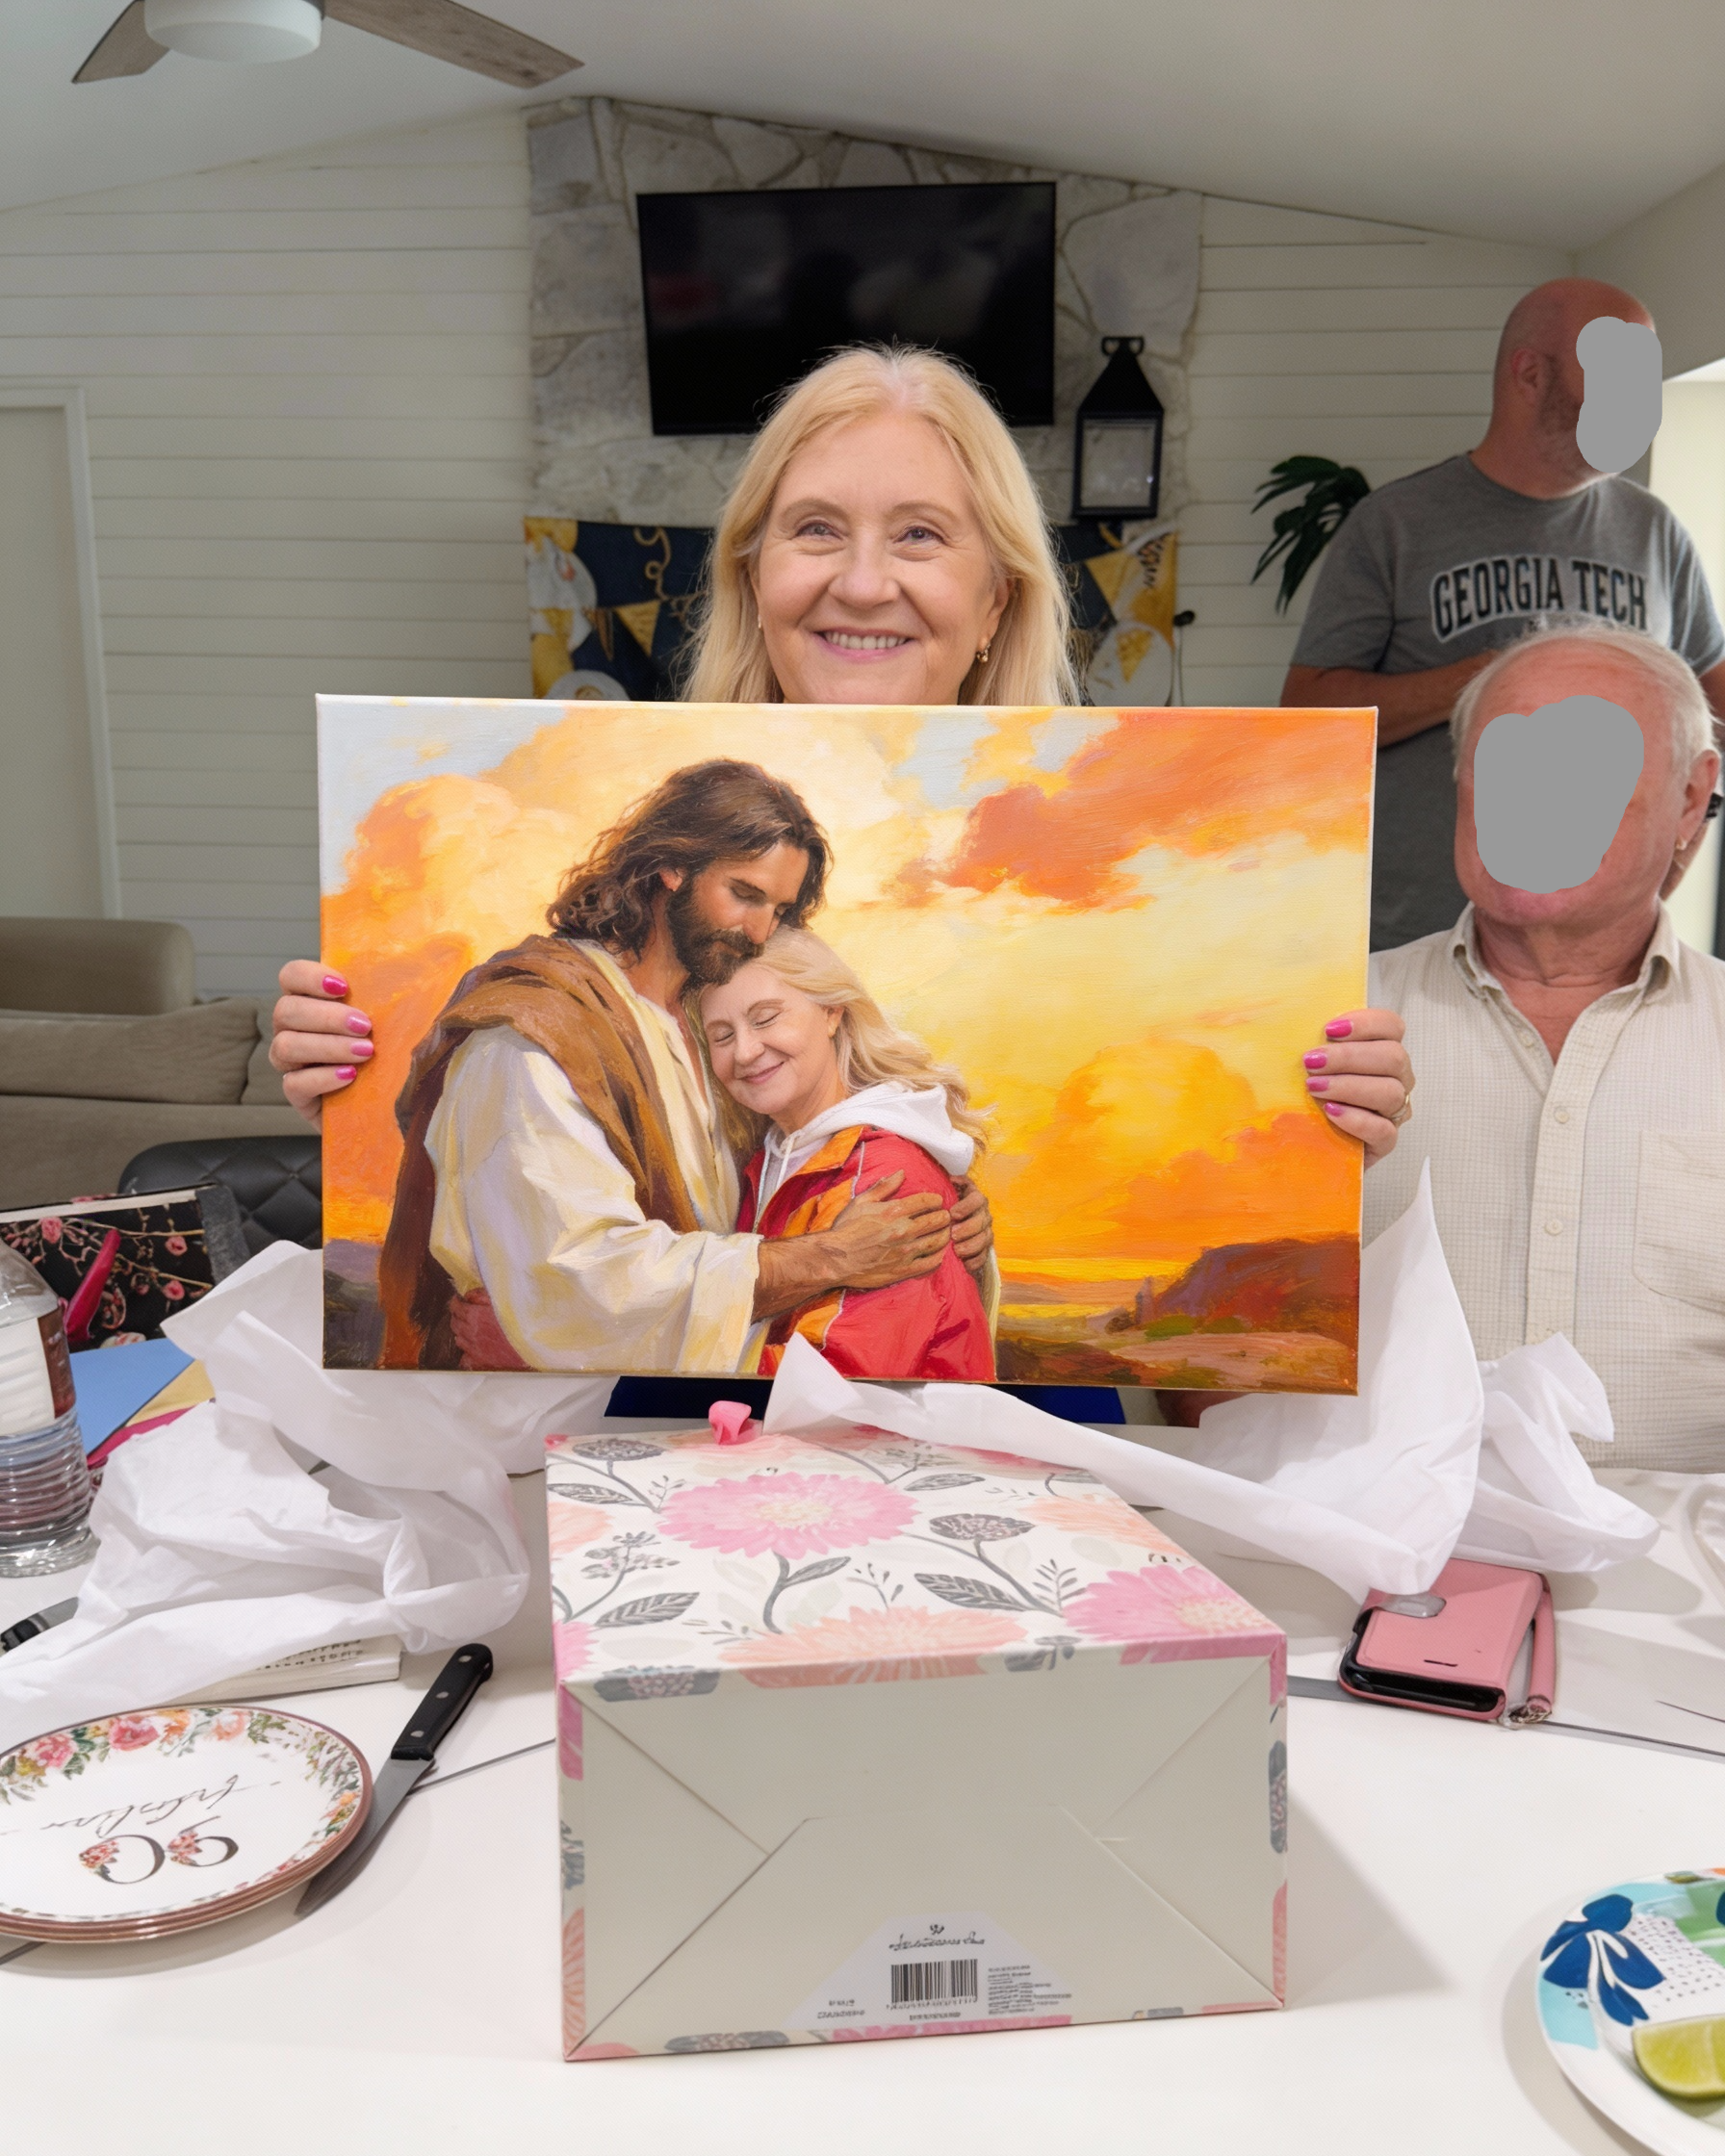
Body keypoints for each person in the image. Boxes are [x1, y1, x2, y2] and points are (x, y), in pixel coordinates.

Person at [271, 345, 1417, 1373]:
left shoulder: (726, 1009)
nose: (863, 581)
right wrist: (356, 1065)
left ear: (990, 601)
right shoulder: (576, 1011)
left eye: (919, 534)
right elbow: (571, 1270)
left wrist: (1339, 1125)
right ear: (755, 577)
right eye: (817, 528)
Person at [381, 758, 967, 1372]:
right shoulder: (531, 1040)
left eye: (778, 910)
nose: (760, 930)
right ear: (670, 866)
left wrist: (949, 1217)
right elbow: (576, 1289)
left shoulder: (705, 1019)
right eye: (744, 894)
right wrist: (830, 1258)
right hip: (541, 1416)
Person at [1363, 619, 1724, 1470]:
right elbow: (1186, 1341)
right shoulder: (1325, 1018)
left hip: (1688, 1581)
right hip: (1357, 1562)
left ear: (1690, 796)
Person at [1283, 277, 1725, 951]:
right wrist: (1497, 679)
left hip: (1608, 950)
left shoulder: (1656, 532)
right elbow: (1309, 714)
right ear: (1529, 373)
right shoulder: (1395, 525)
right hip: (1417, 937)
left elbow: (1713, 720)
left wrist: (1673, 863)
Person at [699, 928, 994, 1381]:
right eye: (721, 1036)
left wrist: (663, 1361)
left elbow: (835, 1381)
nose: (745, 1051)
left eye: (765, 1019)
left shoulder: (887, 1175)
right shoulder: (769, 1161)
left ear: (831, 1012)